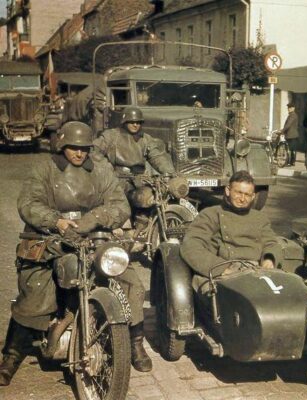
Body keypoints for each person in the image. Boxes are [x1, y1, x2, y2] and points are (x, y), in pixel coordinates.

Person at [0, 122, 152, 386]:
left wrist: (95, 218)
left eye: (84, 149)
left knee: (129, 280)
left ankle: (135, 343)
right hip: (51, 239)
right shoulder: (44, 169)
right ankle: (11, 356)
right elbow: (28, 203)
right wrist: (55, 220)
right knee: (35, 291)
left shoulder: (101, 170)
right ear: (62, 146)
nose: (79, 154)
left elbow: (120, 205)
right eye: (73, 148)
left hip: (94, 238)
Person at [180, 170, 283, 294]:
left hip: (256, 271)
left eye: (247, 194)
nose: (242, 199)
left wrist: (269, 259)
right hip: (224, 272)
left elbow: (271, 242)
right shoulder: (211, 214)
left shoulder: (259, 218)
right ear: (228, 191)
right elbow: (192, 245)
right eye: (238, 193)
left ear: (253, 196)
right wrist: (221, 269)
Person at [93, 106, 176, 207]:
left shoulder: (145, 139)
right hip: (115, 181)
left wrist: (170, 172)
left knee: (148, 200)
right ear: (125, 121)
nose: (135, 125)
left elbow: (157, 156)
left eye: (138, 122)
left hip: (138, 181)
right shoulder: (111, 136)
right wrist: (106, 170)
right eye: (132, 122)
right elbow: (94, 152)